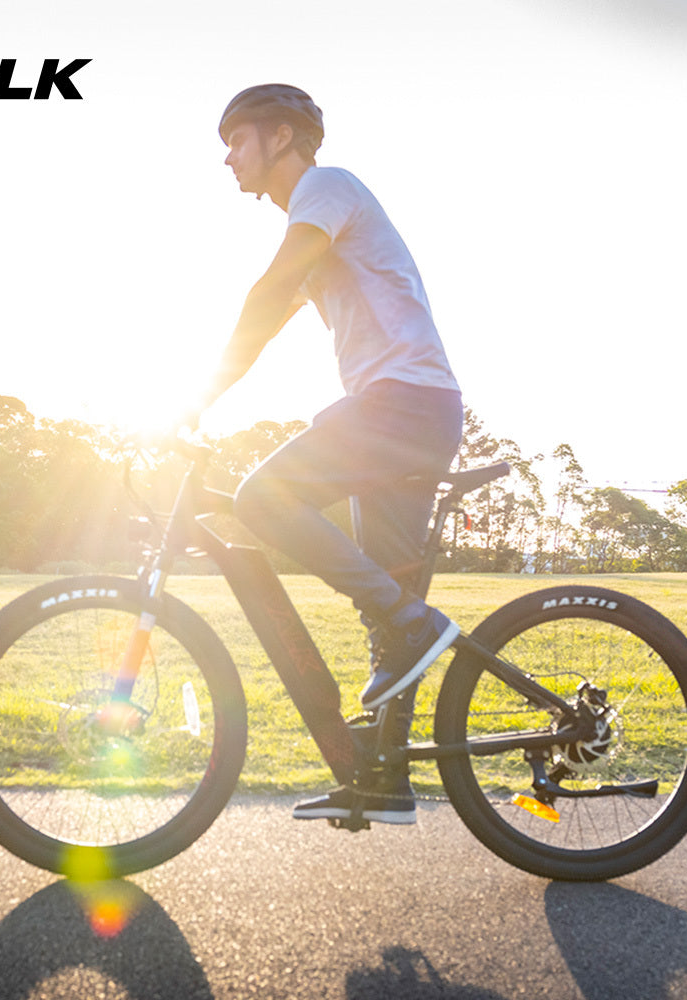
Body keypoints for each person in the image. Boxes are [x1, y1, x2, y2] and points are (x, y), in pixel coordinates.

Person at [188, 84, 463, 825]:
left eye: (236, 139)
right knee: (392, 606)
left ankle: (410, 621)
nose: (227, 157)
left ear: (281, 137)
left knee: (262, 499)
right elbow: (266, 322)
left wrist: (189, 398)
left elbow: (268, 291)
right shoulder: (313, 226)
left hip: (403, 404)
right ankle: (385, 780)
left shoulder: (326, 188)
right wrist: (206, 397)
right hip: (406, 410)